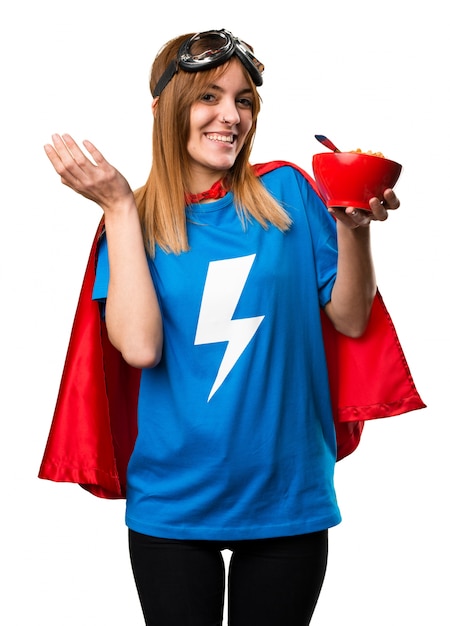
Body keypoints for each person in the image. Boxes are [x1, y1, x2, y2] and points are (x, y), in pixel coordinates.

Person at [42, 29, 423, 626]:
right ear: (165, 109)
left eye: (244, 100)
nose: (230, 116)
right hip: (173, 502)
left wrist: (354, 226)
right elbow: (140, 347)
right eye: (209, 97)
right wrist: (117, 206)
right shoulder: (133, 220)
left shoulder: (290, 192)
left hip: (286, 493)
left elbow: (351, 318)